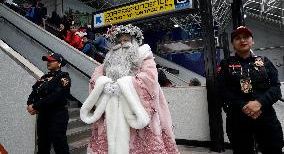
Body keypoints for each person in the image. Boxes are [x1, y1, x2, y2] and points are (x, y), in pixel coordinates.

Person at [80, 24, 179, 154]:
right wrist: (103, 85)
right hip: (110, 112)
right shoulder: (109, 61)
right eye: (119, 41)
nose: (122, 44)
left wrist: (124, 85)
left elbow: (149, 79)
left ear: (134, 42)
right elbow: (95, 77)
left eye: (126, 40)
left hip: (134, 112)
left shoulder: (144, 57)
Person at [217, 26, 283, 154]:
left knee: (274, 150)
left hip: (266, 117)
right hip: (237, 120)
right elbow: (222, 90)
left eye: (246, 37)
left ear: (252, 41)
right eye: (237, 38)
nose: (242, 40)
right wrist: (244, 106)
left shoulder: (265, 62)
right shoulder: (225, 64)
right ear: (232, 44)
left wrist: (259, 103)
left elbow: (276, 89)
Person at [27, 53, 71, 154]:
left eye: (51, 60)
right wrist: (30, 103)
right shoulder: (44, 77)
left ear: (59, 63)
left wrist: (35, 106)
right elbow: (34, 91)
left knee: (60, 145)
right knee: (42, 144)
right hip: (43, 115)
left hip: (57, 115)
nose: (48, 62)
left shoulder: (64, 77)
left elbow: (56, 97)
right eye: (47, 60)